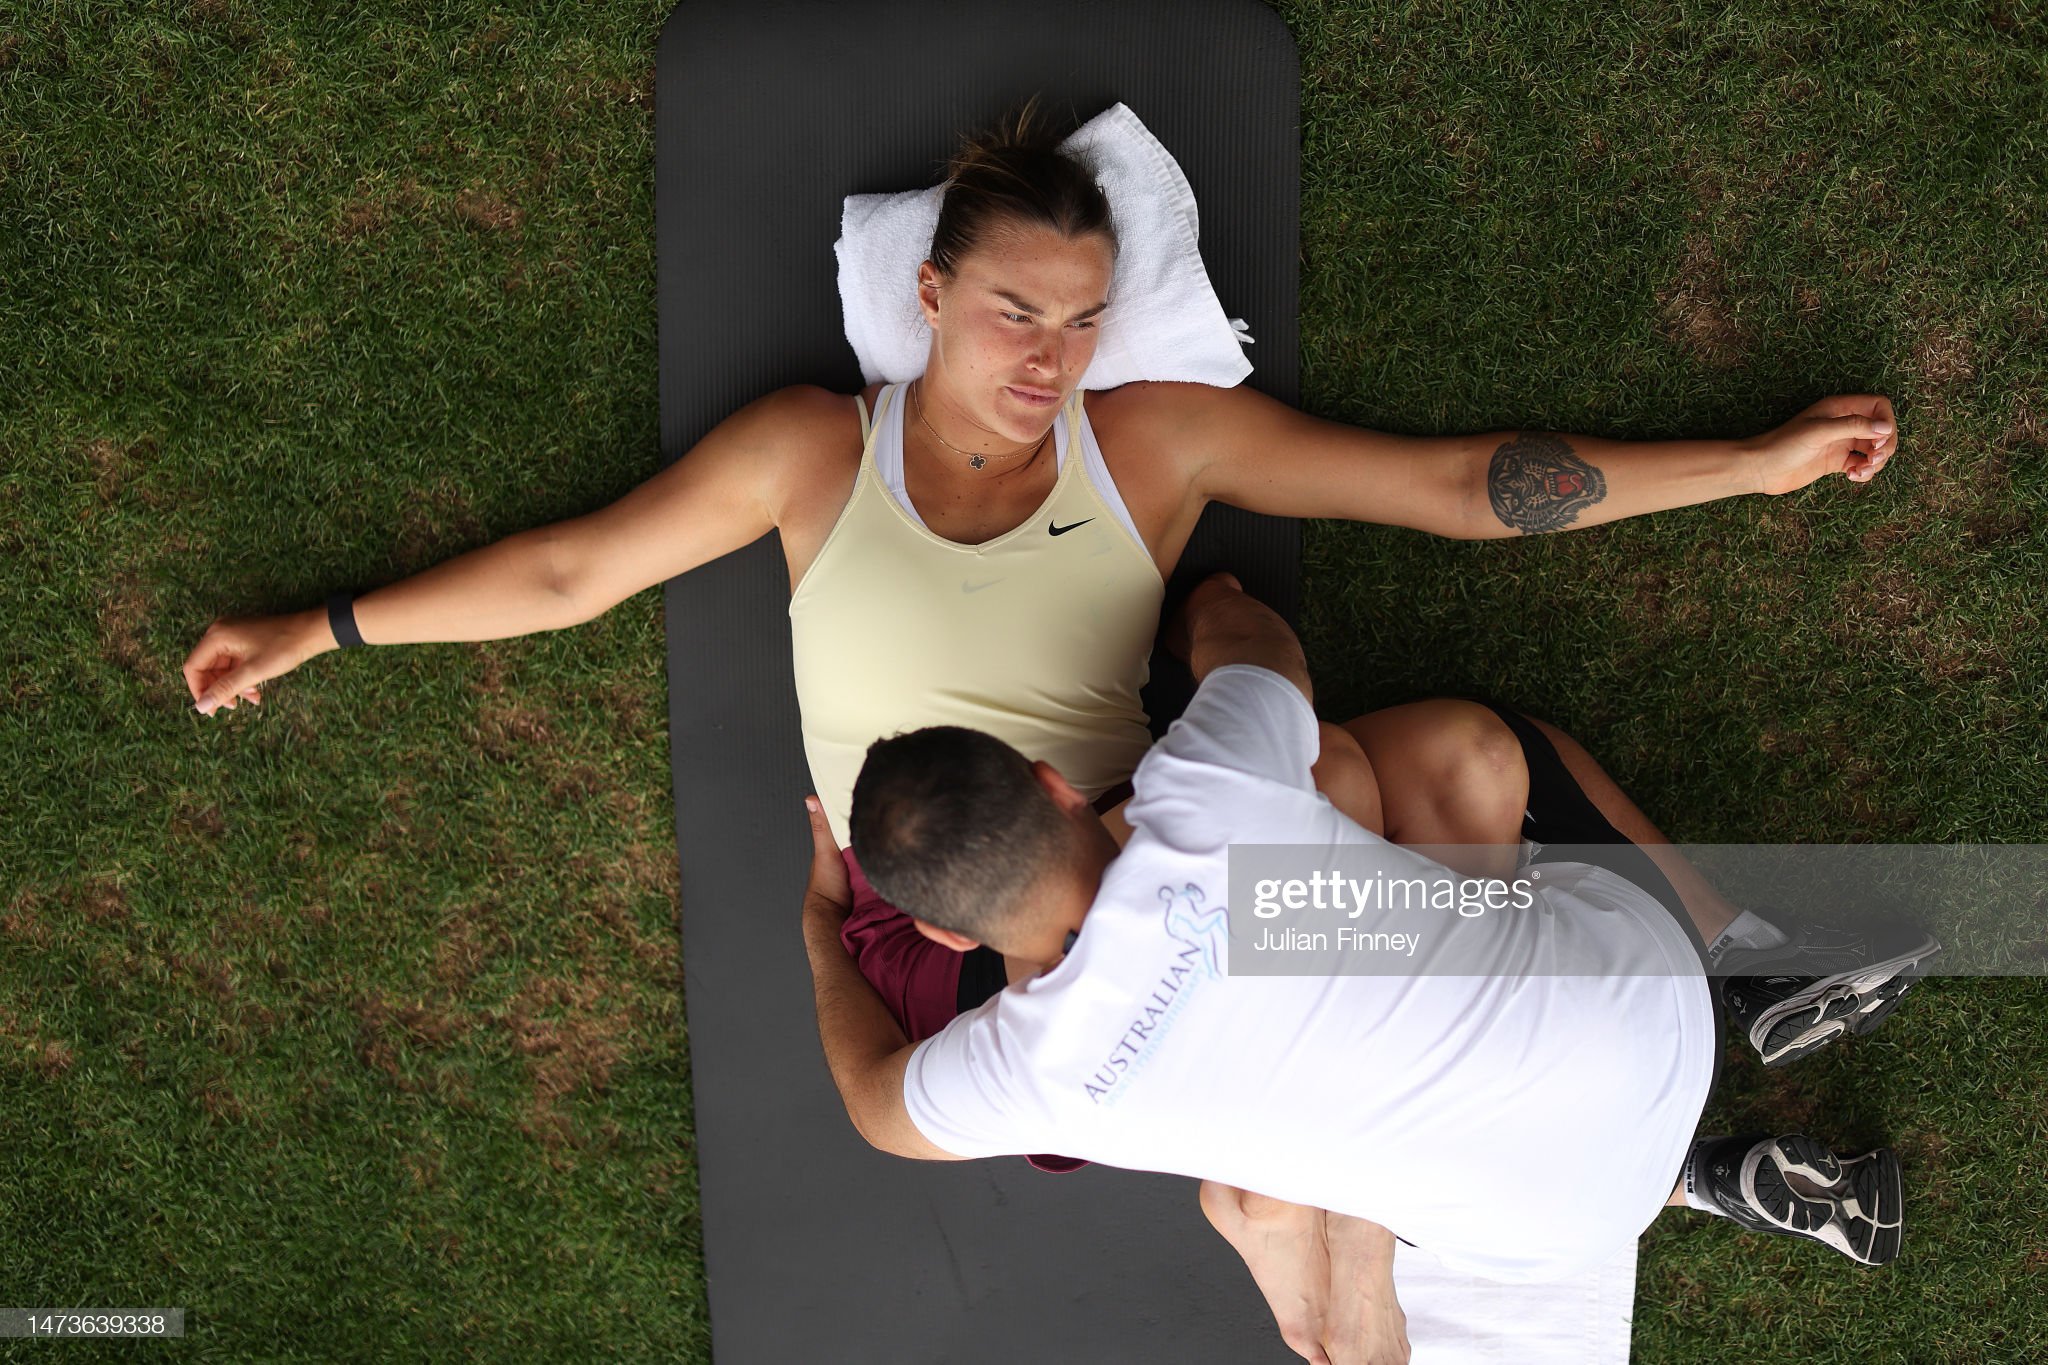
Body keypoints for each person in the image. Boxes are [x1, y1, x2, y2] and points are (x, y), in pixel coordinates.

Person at [180, 105, 1913, 1068]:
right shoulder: (811, 451)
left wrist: (1746, 464)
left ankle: (1731, 990)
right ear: (930, 295)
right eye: (1016, 312)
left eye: (1081, 320)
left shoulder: (1149, 443)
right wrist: (319, 630)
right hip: (973, 927)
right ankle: (1550, 1066)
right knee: (1356, 780)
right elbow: (571, 572)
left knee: (1467, 749)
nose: (1050, 357)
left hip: (1151, 853)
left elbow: (1455, 485)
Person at [805, 574, 1917, 1364]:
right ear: (1055, 785)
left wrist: (820, 922)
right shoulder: (1204, 792)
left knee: (1320, 1124)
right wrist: (1202, 604)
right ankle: (1741, 962)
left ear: (948, 938)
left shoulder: (1026, 1073)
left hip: (1563, 1226)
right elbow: (1259, 647)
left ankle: (1708, 1178)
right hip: (1652, 1008)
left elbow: (870, 1102)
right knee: (1464, 763)